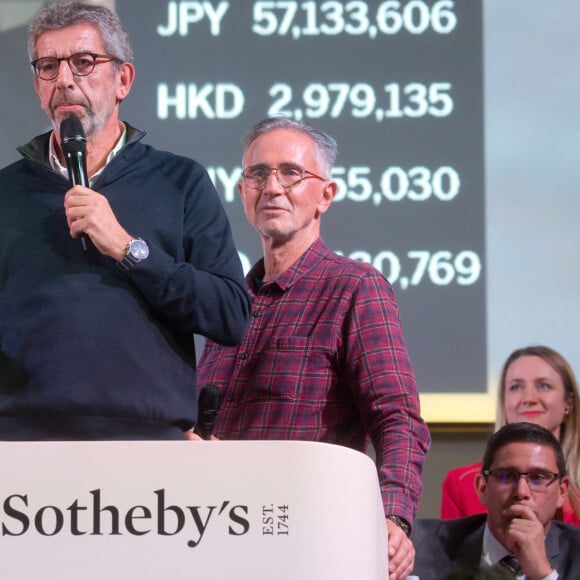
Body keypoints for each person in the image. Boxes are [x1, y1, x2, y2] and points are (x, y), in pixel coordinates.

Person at [0, 2, 250, 440]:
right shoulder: (7, 191)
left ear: (123, 80)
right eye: (48, 66)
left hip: (147, 447)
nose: (64, 80)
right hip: (24, 448)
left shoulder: (180, 181)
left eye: (83, 63)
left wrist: (129, 250)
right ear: (38, 88)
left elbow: (229, 315)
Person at [195, 116, 431, 580]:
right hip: (218, 541)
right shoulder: (228, 302)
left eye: (291, 173)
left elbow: (397, 417)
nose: (272, 187)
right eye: (257, 174)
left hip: (307, 543)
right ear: (242, 193)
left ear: (326, 195)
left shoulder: (355, 288)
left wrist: (393, 517)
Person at [411, 422, 580, 579]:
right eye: (507, 476)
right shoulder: (418, 546)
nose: (521, 492)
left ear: (562, 491)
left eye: (538, 477)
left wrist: (542, 574)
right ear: (482, 488)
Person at [440, 346, 580, 525]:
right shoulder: (462, 484)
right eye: (516, 387)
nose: (529, 398)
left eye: (544, 386)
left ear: (568, 403)